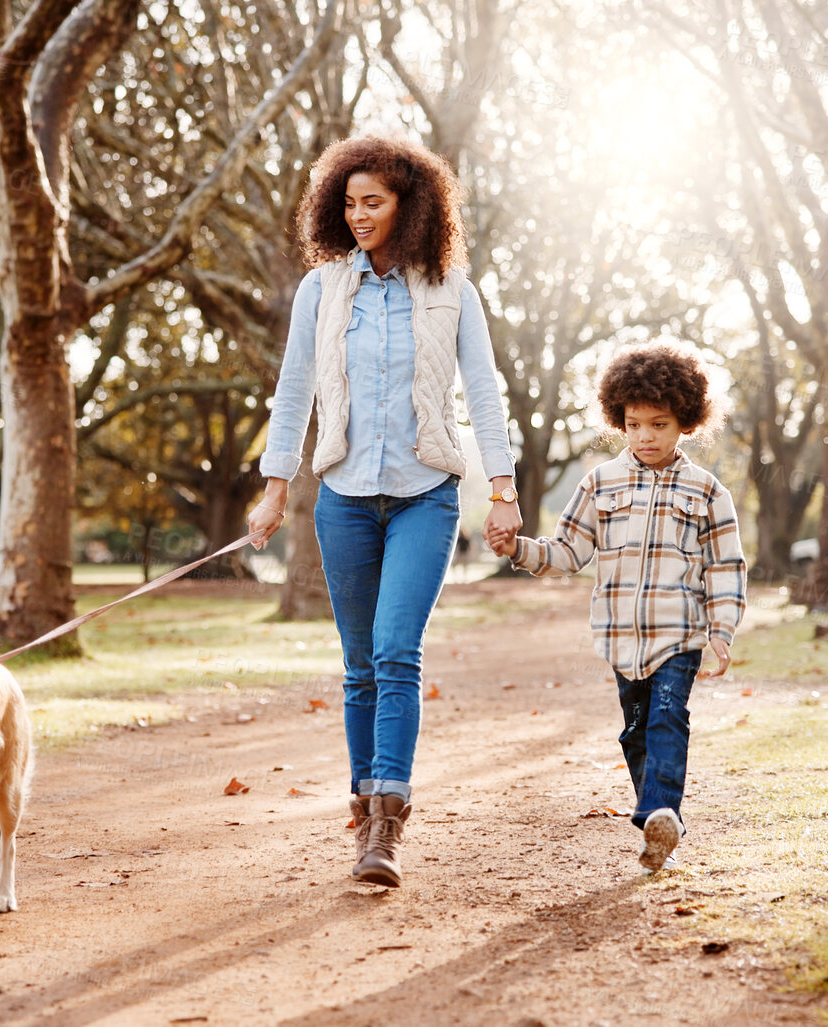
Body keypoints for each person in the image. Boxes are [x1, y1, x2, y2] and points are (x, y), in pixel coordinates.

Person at [246, 135, 523, 888]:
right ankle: (363, 798)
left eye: (374, 202)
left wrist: (502, 488)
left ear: (410, 205)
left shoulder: (450, 289)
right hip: (340, 500)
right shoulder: (321, 290)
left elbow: (484, 390)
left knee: (397, 650)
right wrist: (275, 487)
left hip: (423, 496)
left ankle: (386, 825)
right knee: (360, 666)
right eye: (348, 202)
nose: (360, 215)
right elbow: (292, 388)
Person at [487, 343, 747, 872]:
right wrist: (517, 548)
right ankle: (657, 826)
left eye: (659, 423)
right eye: (634, 424)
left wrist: (721, 631)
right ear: (619, 421)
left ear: (686, 423)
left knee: (668, 717)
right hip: (620, 638)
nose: (645, 436)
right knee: (635, 730)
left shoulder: (706, 491)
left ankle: (661, 814)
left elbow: (725, 567)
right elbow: (567, 552)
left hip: (680, 635)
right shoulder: (599, 483)